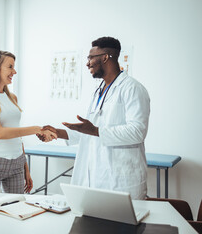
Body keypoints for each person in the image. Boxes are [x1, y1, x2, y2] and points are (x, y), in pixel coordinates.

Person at [38, 37, 150, 200]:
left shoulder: (133, 89)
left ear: (105, 57)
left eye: (91, 57)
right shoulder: (99, 90)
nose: (87, 63)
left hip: (121, 178)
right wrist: (59, 133)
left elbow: (137, 131)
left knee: (120, 225)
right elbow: (91, 132)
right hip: (97, 176)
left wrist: (96, 130)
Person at [0, 50, 56, 194]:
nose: (14, 71)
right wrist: (37, 129)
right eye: (10, 67)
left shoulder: (12, 98)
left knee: (16, 209)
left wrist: (26, 168)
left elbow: (16, 135)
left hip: (17, 163)